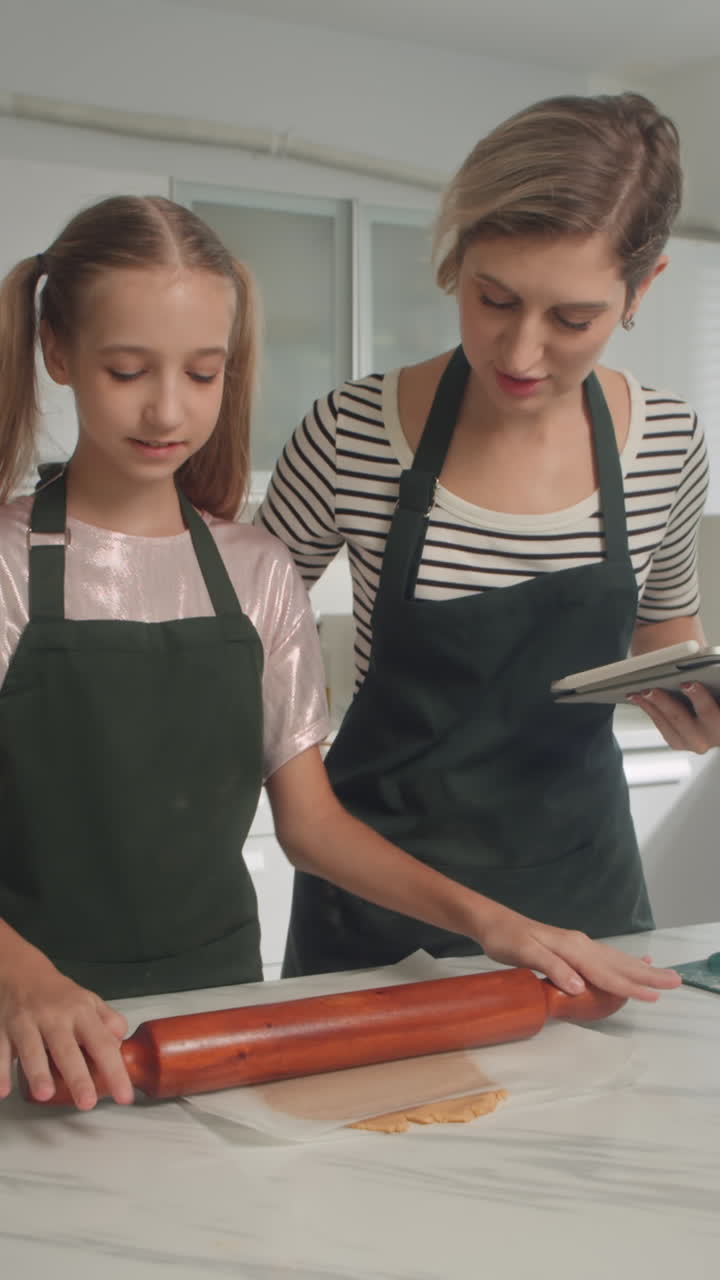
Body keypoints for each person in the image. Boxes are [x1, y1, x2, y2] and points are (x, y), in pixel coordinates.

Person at [0, 197, 678, 1112]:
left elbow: (312, 827)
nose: (168, 408)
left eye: (203, 375)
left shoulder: (257, 571)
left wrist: (496, 926)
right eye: (127, 371)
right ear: (57, 354)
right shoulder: (6, 567)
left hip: (217, 1013)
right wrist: (23, 977)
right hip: (26, 1028)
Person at [257, 91, 713, 980]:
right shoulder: (352, 432)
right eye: (493, 298)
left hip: (585, 906)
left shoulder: (667, 443)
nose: (519, 352)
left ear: (640, 291)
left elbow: (668, 635)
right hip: (380, 912)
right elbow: (238, 643)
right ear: (458, 255)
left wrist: (699, 708)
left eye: (571, 320)